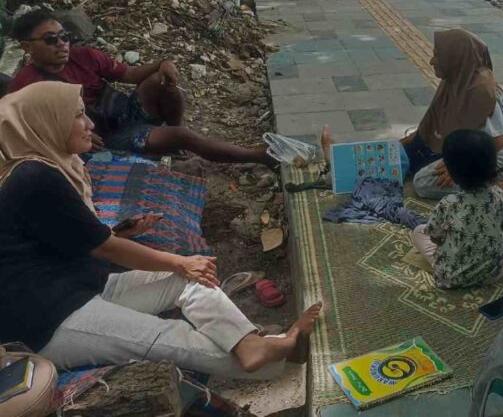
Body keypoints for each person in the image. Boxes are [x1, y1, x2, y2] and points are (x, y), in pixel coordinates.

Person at [0, 82, 324, 376]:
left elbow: (69, 238)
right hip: (48, 318)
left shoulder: (51, 165)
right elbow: (103, 248)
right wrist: (179, 261)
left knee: (192, 278)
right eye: (77, 116)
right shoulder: (34, 176)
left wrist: (168, 259)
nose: (89, 125)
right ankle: (283, 361)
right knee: (170, 337)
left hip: (82, 285)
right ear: (47, 122)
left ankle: (251, 343)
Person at [9, 9, 276, 167]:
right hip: (102, 138)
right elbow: (33, 136)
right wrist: (78, 140)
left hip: (122, 112)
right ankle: (256, 156)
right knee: (185, 135)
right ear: (27, 47)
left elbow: (130, 74)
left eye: (64, 36)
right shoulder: (27, 86)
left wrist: (163, 63)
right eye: (51, 40)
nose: (61, 44)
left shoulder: (84, 56)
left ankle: (170, 141)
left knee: (162, 83)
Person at [408, 29, 503, 199]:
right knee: (417, 147)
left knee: (422, 182)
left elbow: (498, 141)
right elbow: (433, 125)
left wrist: (456, 167)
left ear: (455, 58)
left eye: (437, 56)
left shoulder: (480, 92)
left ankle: (494, 187)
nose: (431, 61)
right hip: (469, 148)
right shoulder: (458, 78)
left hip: (489, 158)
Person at [411, 129, 503, 289]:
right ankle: (492, 258)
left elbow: (434, 238)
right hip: (494, 273)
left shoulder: (448, 203)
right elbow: (502, 224)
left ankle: (455, 267)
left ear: (452, 173)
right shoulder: (499, 195)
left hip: (452, 277)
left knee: (419, 231)